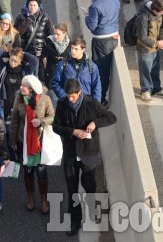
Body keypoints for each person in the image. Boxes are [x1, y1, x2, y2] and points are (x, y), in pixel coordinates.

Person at [52, 78, 117, 236]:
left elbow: (111, 117)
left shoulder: (91, 103)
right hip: (70, 153)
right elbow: (56, 126)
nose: (70, 99)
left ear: (79, 92)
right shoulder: (62, 104)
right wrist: (72, 132)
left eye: (73, 96)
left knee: (90, 185)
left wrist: (94, 123)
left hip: (89, 152)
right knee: (72, 188)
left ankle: (92, 208)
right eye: (68, 96)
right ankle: (75, 221)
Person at [9, 75, 55, 214]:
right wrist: (13, 140)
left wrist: (41, 122)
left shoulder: (45, 99)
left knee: (41, 173)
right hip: (24, 142)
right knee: (28, 172)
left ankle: (43, 200)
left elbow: (52, 116)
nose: (20, 87)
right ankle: (30, 197)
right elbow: (15, 120)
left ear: (32, 90)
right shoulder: (19, 98)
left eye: (24, 86)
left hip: (40, 142)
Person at [83, 0, 119, 108]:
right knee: (105, 69)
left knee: (100, 71)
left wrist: (87, 16)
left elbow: (92, 26)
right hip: (114, 37)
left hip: (101, 41)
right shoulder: (115, 0)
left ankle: (101, 99)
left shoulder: (95, 6)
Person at [13, 0, 55, 82]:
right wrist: (27, 21)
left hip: (40, 52)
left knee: (40, 77)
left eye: (35, 5)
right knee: (28, 75)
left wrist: (48, 50)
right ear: (27, 5)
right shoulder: (21, 17)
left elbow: (51, 34)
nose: (32, 7)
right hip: (26, 51)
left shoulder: (45, 17)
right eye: (30, 5)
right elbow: (16, 33)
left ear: (38, 6)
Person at [51, 36, 101, 103]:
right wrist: (66, 97)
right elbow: (55, 83)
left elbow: (96, 87)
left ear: (83, 50)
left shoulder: (92, 67)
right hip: (68, 102)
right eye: (72, 48)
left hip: (86, 103)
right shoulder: (63, 64)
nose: (73, 51)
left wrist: (95, 105)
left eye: (76, 49)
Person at [136, 0, 163, 102]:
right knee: (145, 71)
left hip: (155, 48)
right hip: (145, 49)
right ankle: (145, 91)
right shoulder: (143, 17)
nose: (162, 14)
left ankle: (155, 88)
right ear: (154, 10)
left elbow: (162, 27)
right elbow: (142, 37)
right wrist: (156, 43)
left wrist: (161, 40)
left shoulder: (158, 15)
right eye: (161, 12)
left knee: (155, 69)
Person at [42, 21, 71, 106]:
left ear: (64, 33)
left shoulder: (70, 44)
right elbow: (43, 58)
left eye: (58, 34)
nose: (55, 36)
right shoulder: (48, 41)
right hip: (51, 74)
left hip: (64, 76)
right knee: (53, 100)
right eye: (54, 33)